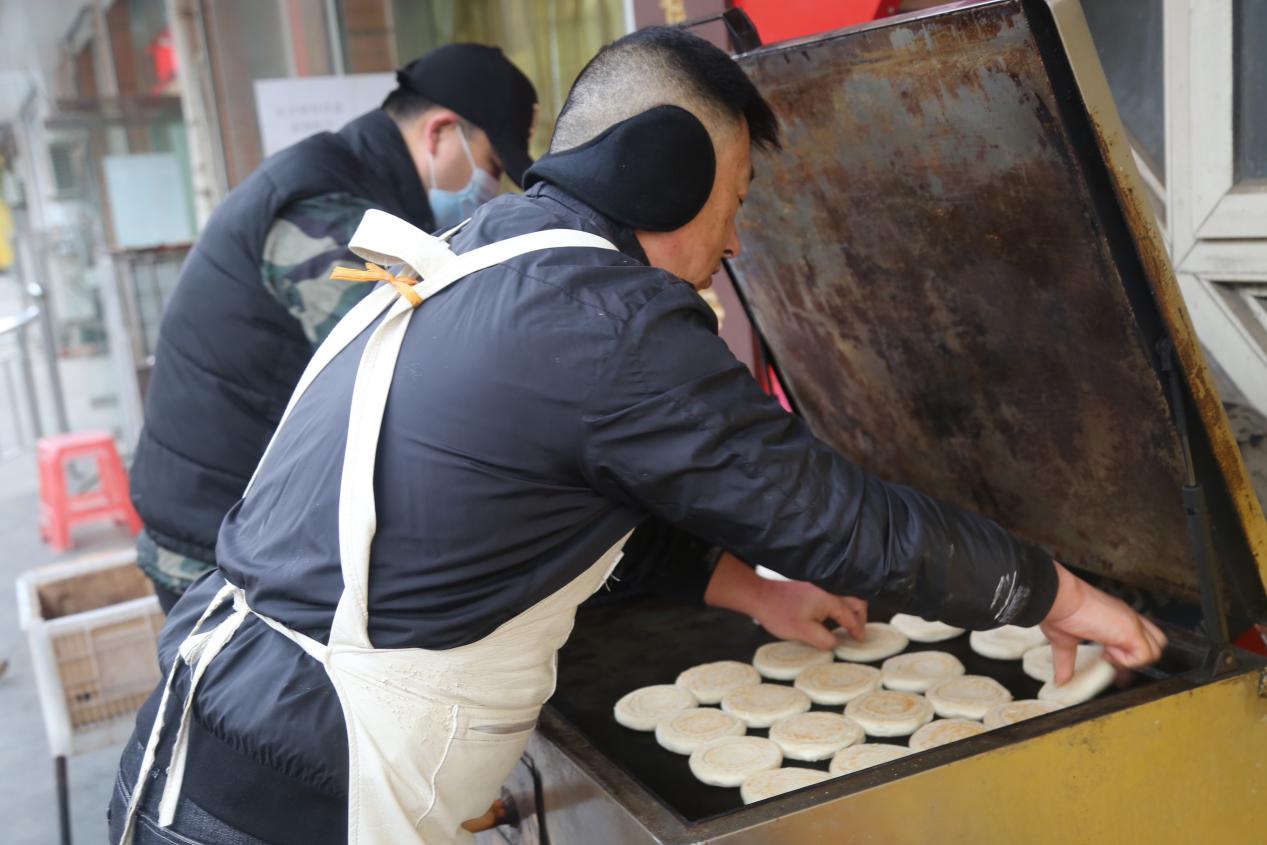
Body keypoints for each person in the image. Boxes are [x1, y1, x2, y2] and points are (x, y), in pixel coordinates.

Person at [110, 26, 1165, 845]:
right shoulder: (604, 319)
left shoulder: (495, 255)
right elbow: (829, 516)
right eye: (736, 197)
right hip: (280, 787)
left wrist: (745, 586)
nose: (738, 236)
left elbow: (548, 500)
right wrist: (1061, 594)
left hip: (234, 728)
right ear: (665, 175)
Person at [128, 44, 538, 611]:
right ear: (440, 132)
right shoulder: (321, 210)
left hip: (235, 518)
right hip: (212, 549)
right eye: (492, 168)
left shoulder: (351, 180)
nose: (492, 189)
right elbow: (409, 375)